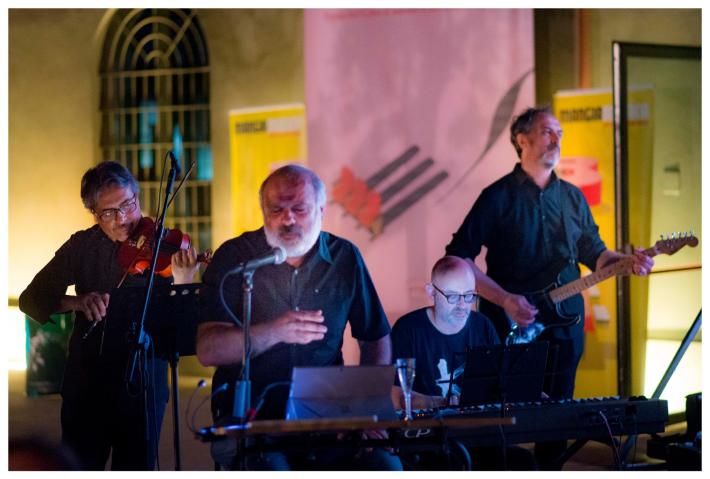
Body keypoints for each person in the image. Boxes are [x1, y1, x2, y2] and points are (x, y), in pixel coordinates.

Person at [445, 106, 654, 469]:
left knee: (558, 419)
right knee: (500, 418)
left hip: (566, 323)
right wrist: (504, 300)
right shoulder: (497, 196)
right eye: (547, 132)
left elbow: (596, 253)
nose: (556, 139)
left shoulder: (572, 197)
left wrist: (628, 261)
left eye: (559, 133)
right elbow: (459, 258)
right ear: (522, 140)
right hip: (511, 324)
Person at [196, 164, 402, 471]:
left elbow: (375, 336)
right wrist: (275, 331)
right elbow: (208, 350)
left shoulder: (345, 257)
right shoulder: (236, 257)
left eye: (299, 209)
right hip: (254, 415)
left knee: (386, 465)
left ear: (321, 210)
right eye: (276, 209)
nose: (287, 219)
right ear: (263, 211)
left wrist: (364, 407)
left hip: (328, 412)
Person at [19, 161, 199, 470]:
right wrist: (77, 302)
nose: (124, 218)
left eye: (129, 204)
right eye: (109, 212)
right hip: (88, 383)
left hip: (145, 384)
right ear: (94, 213)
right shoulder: (81, 246)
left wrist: (183, 281)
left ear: (137, 197)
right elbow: (31, 299)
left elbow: (179, 326)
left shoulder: (162, 246)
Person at [391, 255, 535, 470]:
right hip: (427, 440)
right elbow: (394, 395)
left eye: (468, 296)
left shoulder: (482, 326)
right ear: (431, 292)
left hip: (477, 435)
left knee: (524, 463)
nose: (462, 305)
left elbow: (500, 383)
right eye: (452, 296)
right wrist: (442, 403)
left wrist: (529, 392)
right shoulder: (408, 329)